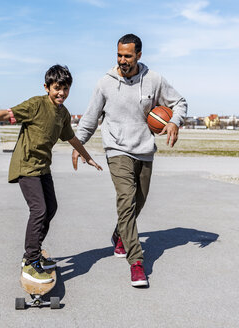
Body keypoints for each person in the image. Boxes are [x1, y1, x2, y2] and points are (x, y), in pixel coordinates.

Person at [0, 65, 102, 284]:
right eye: (57, 88)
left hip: (42, 168)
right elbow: (5, 113)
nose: (62, 93)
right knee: (39, 210)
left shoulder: (63, 113)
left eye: (66, 89)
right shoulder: (36, 105)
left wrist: (86, 156)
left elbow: (72, 138)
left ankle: (34, 253)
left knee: (51, 208)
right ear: (47, 87)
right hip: (26, 166)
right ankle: (30, 262)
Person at [72, 34, 187, 287]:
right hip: (116, 149)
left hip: (144, 149)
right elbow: (90, 118)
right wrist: (78, 145)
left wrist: (174, 122)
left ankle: (120, 233)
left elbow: (179, 103)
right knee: (126, 200)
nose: (122, 60)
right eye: (119, 55)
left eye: (128, 56)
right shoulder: (105, 83)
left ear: (139, 55)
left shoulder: (154, 80)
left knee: (139, 201)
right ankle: (136, 262)